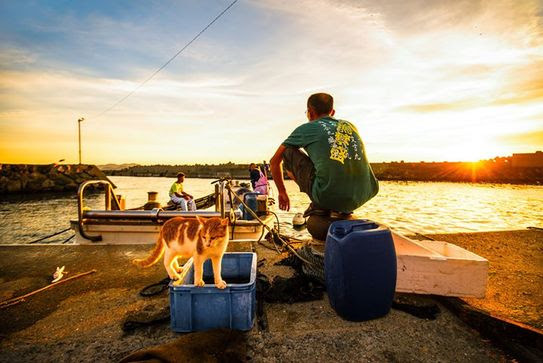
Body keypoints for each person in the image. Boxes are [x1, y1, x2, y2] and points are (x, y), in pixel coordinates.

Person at [270, 93, 378, 218]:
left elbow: (274, 162)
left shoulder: (307, 128)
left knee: (287, 152)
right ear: (332, 112)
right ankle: (341, 206)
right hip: (366, 192)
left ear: (310, 112)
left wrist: (282, 192)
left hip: (326, 195)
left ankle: (320, 203)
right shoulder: (349, 126)